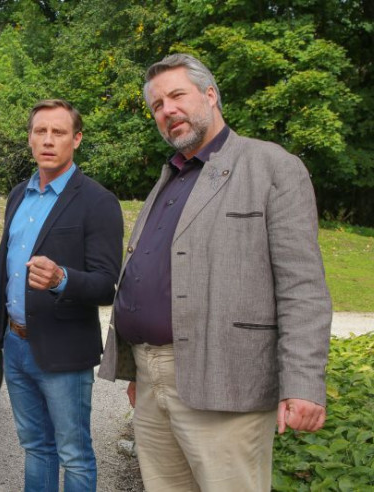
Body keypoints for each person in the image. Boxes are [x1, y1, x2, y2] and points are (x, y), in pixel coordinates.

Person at [98, 53, 332, 491]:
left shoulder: (270, 165)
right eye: (157, 105)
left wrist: (303, 384)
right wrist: (139, 372)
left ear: (210, 95)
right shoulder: (171, 175)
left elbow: (302, 286)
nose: (167, 110)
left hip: (227, 380)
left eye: (177, 96)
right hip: (152, 379)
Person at [0, 99, 123, 491]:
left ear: (76, 139)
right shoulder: (18, 195)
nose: (47, 140)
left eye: (58, 132)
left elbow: (107, 286)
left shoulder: (98, 201)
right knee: (36, 448)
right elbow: (2, 268)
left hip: (64, 350)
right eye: (40, 131)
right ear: (29, 138)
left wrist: (61, 278)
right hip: (16, 344)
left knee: (74, 454)